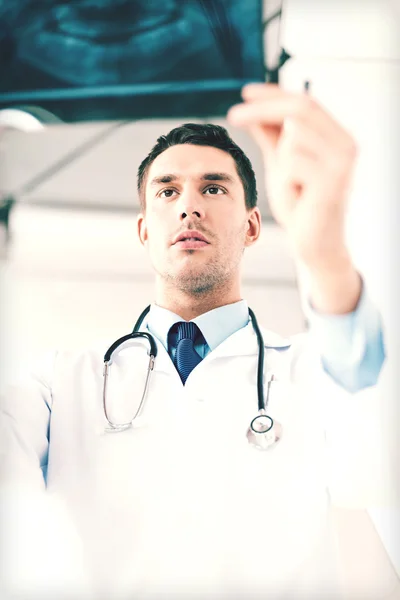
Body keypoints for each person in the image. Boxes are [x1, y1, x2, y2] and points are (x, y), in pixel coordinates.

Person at [0, 83, 389, 599]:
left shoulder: (309, 370)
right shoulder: (57, 383)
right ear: (143, 230)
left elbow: (368, 460)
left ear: (253, 226)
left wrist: (326, 259)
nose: (189, 207)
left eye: (213, 188)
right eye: (166, 190)